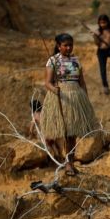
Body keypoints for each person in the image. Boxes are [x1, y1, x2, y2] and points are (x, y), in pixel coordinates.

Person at [40, 33, 98, 177]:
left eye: (70, 45)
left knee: (72, 134)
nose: (68, 48)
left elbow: (82, 82)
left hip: (76, 97)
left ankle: (70, 162)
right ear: (59, 46)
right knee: (64, 132)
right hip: (60, 98)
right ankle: (67, 163)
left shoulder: (76, 60)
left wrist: (85, 99)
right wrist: (55, 89)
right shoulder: (52, 61)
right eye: (65, 45)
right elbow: (47, 82)